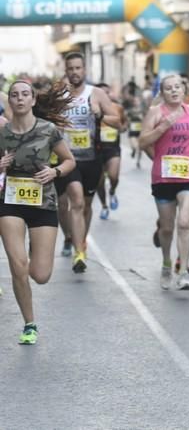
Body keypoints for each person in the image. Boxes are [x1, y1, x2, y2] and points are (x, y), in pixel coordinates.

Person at [0, 80, 76, 344]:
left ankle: (35, 249)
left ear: (33, 100)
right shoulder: (2, 132)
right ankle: (29, 324)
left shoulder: (48, 129)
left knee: (40, 275)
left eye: (24, 95)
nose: (19, 99)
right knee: (18, 265)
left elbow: (69, 161)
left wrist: (54, 171)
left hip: (43, 203)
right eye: (14, 95)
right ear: (9, 101)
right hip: (10, 203)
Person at [55, 52, 119, 273]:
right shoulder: (59, 95)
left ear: (84, 70)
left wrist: (100, 115)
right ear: (66, 71)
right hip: (68, 159)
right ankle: (78, 252)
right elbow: (46, 122)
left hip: (92, 158)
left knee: (87, 206)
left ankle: (80, 243)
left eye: (78, 68)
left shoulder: (97, 93)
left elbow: (119, 122)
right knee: (77, 202)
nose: (74, 72)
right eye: (70, 68)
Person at [139, 74, 189, 291]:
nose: (174, 91)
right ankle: (167, 262)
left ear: (184, 90)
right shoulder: (156, 112)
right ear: (162, 92)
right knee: (166, 228)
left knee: (184, 222)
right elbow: (143, 141)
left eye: (178, 87)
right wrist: (162, 127)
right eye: (169, 88)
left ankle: (183, 271)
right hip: (164, 177)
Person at [95, 83, 128, 220]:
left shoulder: (117, 108)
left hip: (113, 148)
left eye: (107, 93)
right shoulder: (91, 109)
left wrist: (122, 128)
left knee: (114, 176)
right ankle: (104, 206)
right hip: (96, 149)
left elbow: (125, 123)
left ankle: (112, 191)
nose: (105, 96)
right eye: (101, 93)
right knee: (99, 182)